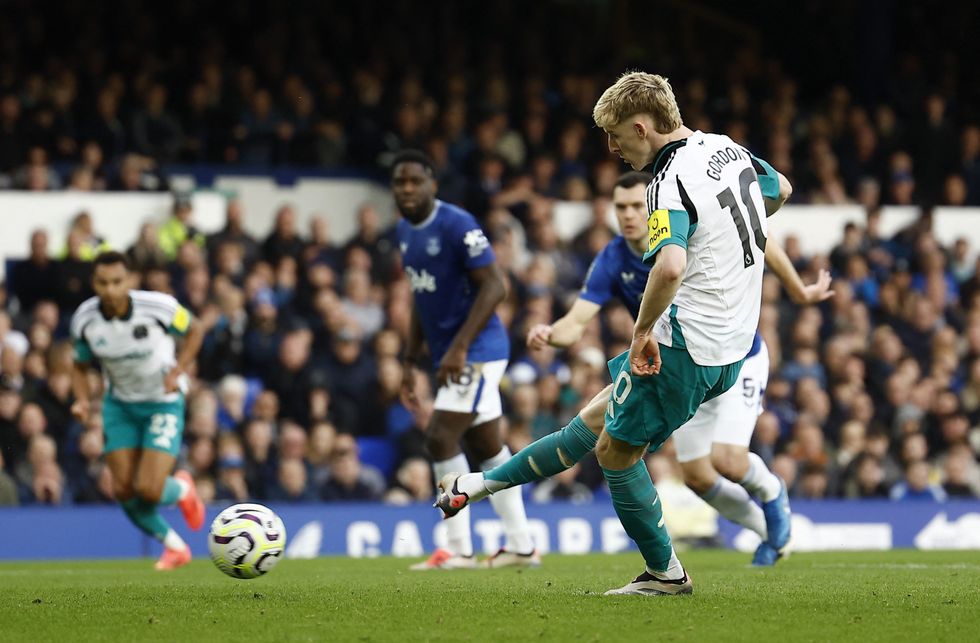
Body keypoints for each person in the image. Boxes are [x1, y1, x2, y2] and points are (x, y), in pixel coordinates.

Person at [437, 72, 793, 595]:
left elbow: (670, 267)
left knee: (615, 453)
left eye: (616, 134)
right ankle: (477, 485)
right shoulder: (724, 148)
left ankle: (666, 573)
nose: (612, 147)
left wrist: (640, 331)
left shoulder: (667, 182)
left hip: (686, 345)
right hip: (733, 343)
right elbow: (780, 188)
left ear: (643, 127)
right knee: (595, 418)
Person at [525, 171, 832, 565]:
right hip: (681, 368)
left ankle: (773, 494)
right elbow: (577, 322)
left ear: (651, 203)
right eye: (621, 208)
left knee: (728, 461)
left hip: (736, 356)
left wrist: (797, 289)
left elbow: (760, 234)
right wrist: (549, 333)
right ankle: (769, 534)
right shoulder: (613, 258)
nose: (630, 214)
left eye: (638, 205)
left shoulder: (681, 226)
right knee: (699, 477)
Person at [393, 149, 536, 570]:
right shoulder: (405, 231)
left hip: (478, 350)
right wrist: (408, 358)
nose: (406, 189)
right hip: (452, 354)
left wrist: (457, 347)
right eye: (399, 182)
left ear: (432, 185)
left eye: (414, 181)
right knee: (488, 448)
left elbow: (495, 287)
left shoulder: (457, 224)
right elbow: (421, 298)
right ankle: (521, 545)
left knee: (439, 436)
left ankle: (458, 550)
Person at [69, 251, 206, 570]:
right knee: (123, 489)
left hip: (162, 402)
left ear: (129, 280)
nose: (110, 290)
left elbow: (195, 329)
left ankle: (184, 489)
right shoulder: (85, 319)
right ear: (94, 282)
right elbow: (79, 364)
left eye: (117, 282)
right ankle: (175, 547)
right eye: (103, 283)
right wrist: (81, 399)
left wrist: (180, 369)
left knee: (149, 489)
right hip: (120, 406)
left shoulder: (159, 306)